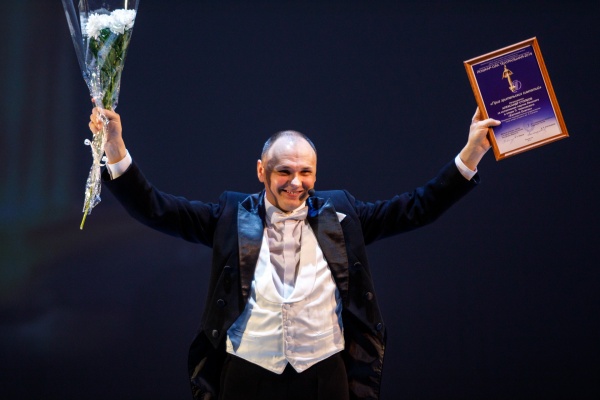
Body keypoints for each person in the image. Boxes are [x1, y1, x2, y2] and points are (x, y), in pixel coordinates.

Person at [89, 107, 500, 400]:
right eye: (284, 171)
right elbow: (157, 209)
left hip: (324, 376)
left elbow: (416, 207)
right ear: (261, 171)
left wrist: (472, 154)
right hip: (247, 375)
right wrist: (115, 147)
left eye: (306, 172)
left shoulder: (342, 214)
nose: (296, 182)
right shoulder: (230, 215)